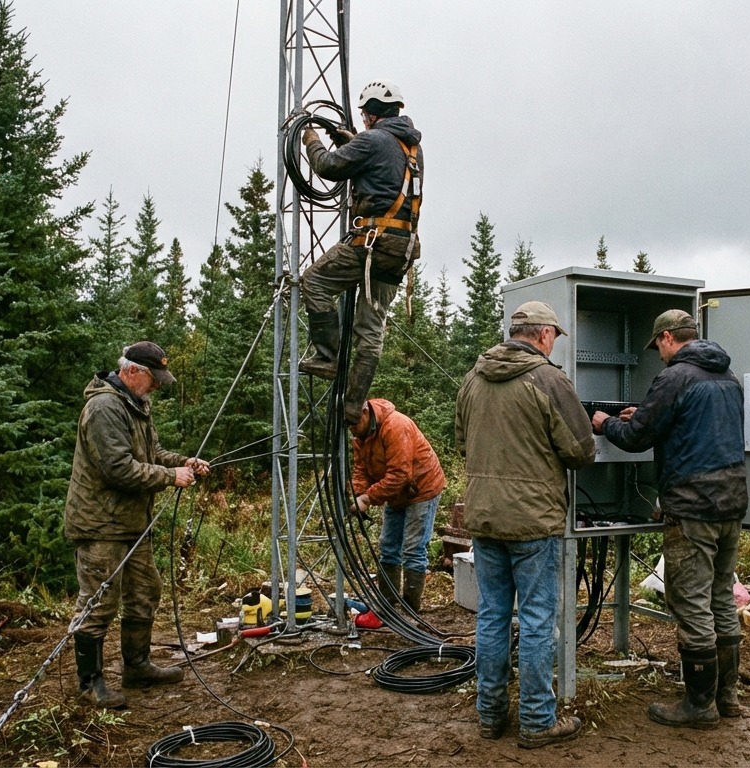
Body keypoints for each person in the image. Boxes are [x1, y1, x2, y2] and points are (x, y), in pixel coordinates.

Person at [592, 309, 748, 730]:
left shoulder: (674, 377)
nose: (657, 355)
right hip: (731, 503)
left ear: (666, 338)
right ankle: (727, 697)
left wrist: (606, 423)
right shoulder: (728, 377)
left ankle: (699, 706)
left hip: (692, 506)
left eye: (657, 347)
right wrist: (641, 415)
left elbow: (636, 438)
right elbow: (694, 429)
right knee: (720, 597)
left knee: (691, 601)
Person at [455, 301, 597, 749]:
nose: (554, 342)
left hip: (484, 516)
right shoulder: (549, 380)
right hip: (534, 522)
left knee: (493, 616)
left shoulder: (473, 379)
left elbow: (461, 441)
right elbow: (580, 450)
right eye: (555, 334)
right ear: (541, 335)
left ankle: (490, 715)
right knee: (537, 620)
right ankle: (537, 721)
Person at [63, 341, 211, 709]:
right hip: (101, 525)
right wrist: (169, 476)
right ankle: (89, 683)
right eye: (154, 378)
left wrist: (184, 462)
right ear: (132, 372)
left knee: (145, 591)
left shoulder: (136, 405)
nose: (158, 386)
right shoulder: (103, 408)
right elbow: (117, 469)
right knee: (99, 603)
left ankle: (138, 666)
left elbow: (152, 454)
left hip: (131, 523)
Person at [299, 80, 424, 425]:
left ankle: (326, 357)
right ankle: (352, 407)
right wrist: (352, 142)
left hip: (371, 243)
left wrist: (310, 137)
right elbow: (380, 165)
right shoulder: (410, 147)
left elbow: (326, 165)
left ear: (369, 114)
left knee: (315, 282)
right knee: (371, 329)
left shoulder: (372, 140)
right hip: (400, 250)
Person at [350, 398, 447, 612]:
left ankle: (411, 608)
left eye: (355, 425)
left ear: (365, 413)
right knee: (388, 545)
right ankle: (389, 603)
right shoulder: (360, 435)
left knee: (413, 547)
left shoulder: (396, 426)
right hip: (395, 493)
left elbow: (400, 474)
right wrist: (359, 493)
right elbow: (360, 469)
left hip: (421, 488)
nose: (353, 432)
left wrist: (368, 498)